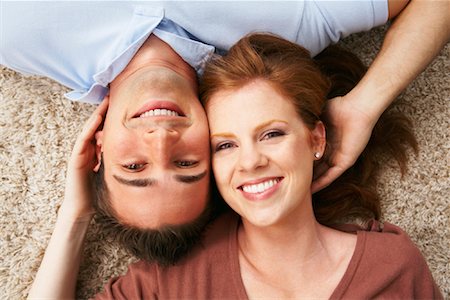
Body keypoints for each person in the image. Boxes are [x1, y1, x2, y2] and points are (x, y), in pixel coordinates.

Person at [31, 33, 443, 299]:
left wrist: (364, 106)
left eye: (272, 134)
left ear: (316, 139)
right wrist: (76, 211)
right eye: (225, 145)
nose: (250, 161)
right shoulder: (175, 281)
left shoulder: (390, 267)